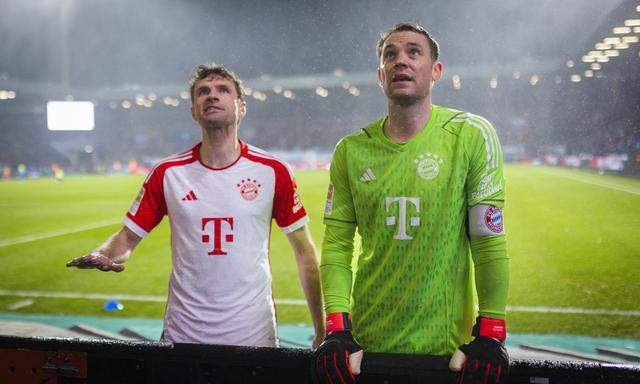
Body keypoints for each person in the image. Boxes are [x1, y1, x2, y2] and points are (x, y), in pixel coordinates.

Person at [67, 63, 325, 348]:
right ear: (193, 111)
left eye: (223, 90)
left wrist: (321, 329)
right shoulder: (167, 173)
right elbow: (127, 237)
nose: (211, 96)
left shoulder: (273, 170)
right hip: (183, 335)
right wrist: (104, 253)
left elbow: (305, 253)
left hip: (253, 336)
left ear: (241, 107)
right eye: (203, 92)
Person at [312, 23, 509, 383]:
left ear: (436, 71)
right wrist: (337, 328)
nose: (400, 60)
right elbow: (338, 247)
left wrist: (492, 331)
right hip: (367, 348)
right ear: (380, 74)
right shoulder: (350, 151)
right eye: (391, 54)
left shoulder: (471, 135)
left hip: (447, 350)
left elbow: (488, 241)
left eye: (413, 52)